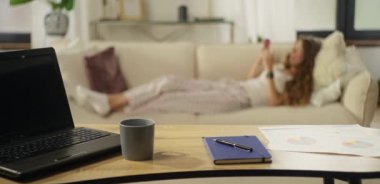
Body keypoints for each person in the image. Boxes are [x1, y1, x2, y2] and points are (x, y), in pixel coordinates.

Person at [75, 37, 321, 116]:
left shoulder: (295, 83)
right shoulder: (279, 67)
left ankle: (112, 105)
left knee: (166, 100)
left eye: (299, 50)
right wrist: (260, 60)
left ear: (307, 58)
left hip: (237, 100)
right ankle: (111, 102)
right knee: (168, 81)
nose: (294, 51)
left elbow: (274, 101)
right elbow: (249, 79)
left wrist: (268, 70)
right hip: (231, 86)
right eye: (296, 47)